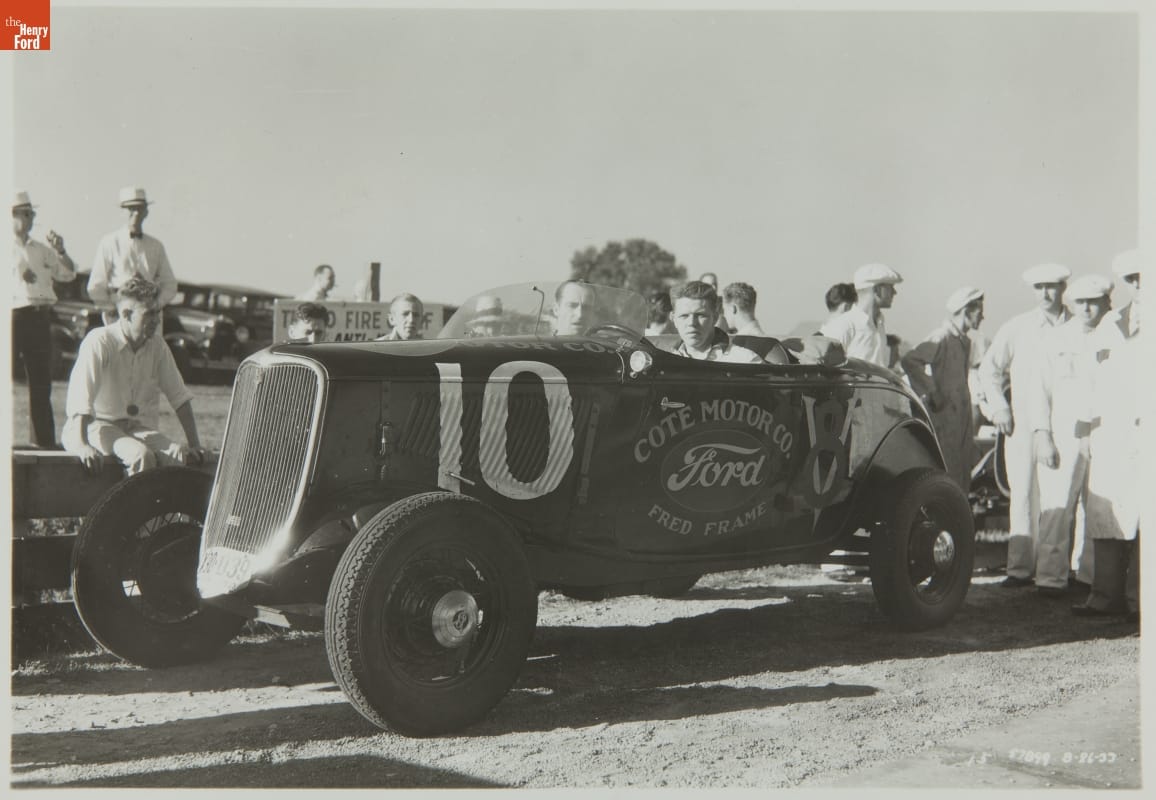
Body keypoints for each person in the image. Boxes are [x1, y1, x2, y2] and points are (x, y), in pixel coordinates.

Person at [977, 263, 1072, 590]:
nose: (1046, 294)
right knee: (1023, 493)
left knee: (1058, 497)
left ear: (1063, 288)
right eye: (1039, 287)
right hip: (1021, 422)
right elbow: (988, 370)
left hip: (1064, 423)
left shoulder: (1075, 326)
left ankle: (1057, 571)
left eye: (1052, 287)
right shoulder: (1018, 327)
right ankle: (1020, 568)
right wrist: (999, 408)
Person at [61, 276, 205, 475]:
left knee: (178, 454)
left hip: (134, 428)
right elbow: (81, 398)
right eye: (149, 314)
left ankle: (167, 507)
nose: (156, 320)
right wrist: (83, 445)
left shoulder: (158, 346)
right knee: (141, 455)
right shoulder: (100, 341)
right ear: (126, 314)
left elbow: (179, 397)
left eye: (158, 312)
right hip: (95, 427)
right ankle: (135, 506)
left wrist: (195, 444)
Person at [1025, 274, 1112, 596]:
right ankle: (1050, 579)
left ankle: (1088, 576)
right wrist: (1042, 434)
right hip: (1062, 433)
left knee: (1098, 506)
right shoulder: (1056, 340)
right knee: (1057, 505)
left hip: (1104, 431)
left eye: (1094, 302)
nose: (1087, 309)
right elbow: (1038, 391)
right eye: (1081, 303)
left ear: (1106, 302)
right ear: (1072, 305)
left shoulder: (1115, 337)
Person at [1074, 251, 1142, 621]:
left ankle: (1140, 601)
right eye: (1133, 279)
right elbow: (1089, 380)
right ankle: (1104, 597)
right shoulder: (1109, 324)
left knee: (1146, 517)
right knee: (1107, 514)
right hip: (1111, 433)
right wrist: (1084, 427)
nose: (1141, 285)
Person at [900, 287, 985, 491]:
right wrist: (932, 392)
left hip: (961, 421)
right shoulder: (942, 337)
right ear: (967, 311)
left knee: (962, 474)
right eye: (979, 310)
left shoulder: (964, 342)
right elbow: (911, 360)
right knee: (947, 474)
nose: (983, 316)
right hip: (945, 420)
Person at [12, 190, 77, 448]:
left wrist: (61, 251)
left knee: (41, 383)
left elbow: (68, 274)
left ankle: (43, 443)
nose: (30, 218)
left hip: (39, 317)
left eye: (32, 213)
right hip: (12, 317)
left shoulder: (42, 250)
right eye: (25, 213)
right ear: (11, 216)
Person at [88, 186, 178, 323]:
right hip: (118, 314)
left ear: (146, 212)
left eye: (140, 208)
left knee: (150, 344)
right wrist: (111, 308)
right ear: (121, 212)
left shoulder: (156, 246)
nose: (136, 213)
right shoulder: (109, 242)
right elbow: (95, 285)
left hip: (148, 314)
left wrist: (156, 305)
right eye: (131, 208)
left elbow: (170, 284)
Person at [818, 263, 902, 367]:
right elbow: (823, 368)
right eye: (890, 287)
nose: (894, 292)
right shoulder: (845, 326)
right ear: (877, 290)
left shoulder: (879, 324)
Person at [670, 281, 762, 363]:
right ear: (674, 319)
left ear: (715, 317)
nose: (691, 323)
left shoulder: (746, 361)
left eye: (700, 315)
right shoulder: (660, 363)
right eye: (684, 316)